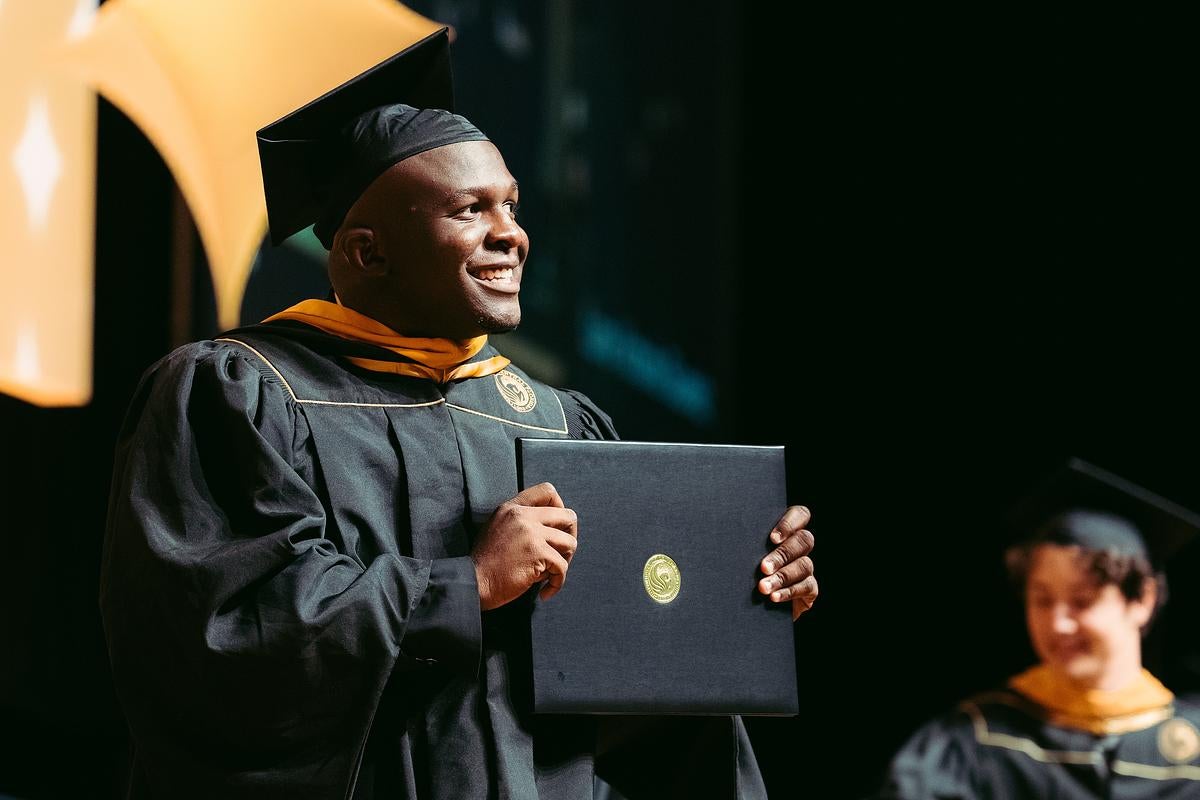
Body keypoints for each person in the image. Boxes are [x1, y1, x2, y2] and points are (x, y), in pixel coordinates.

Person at [99, 28, 817, 800]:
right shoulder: (242, 395)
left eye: (511, 204)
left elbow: (625, 683)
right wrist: (465, 585)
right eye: (469, 210)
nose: (510, 233)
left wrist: (734, 604)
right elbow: (221, 643)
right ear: (368, 254)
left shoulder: (561, 423)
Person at [876, 458, 1200, 799]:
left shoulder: (1192, 752)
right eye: (1042, 600)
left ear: (1142, 599)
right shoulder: (977, 740)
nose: (1058, 624)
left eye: (1082, 601)